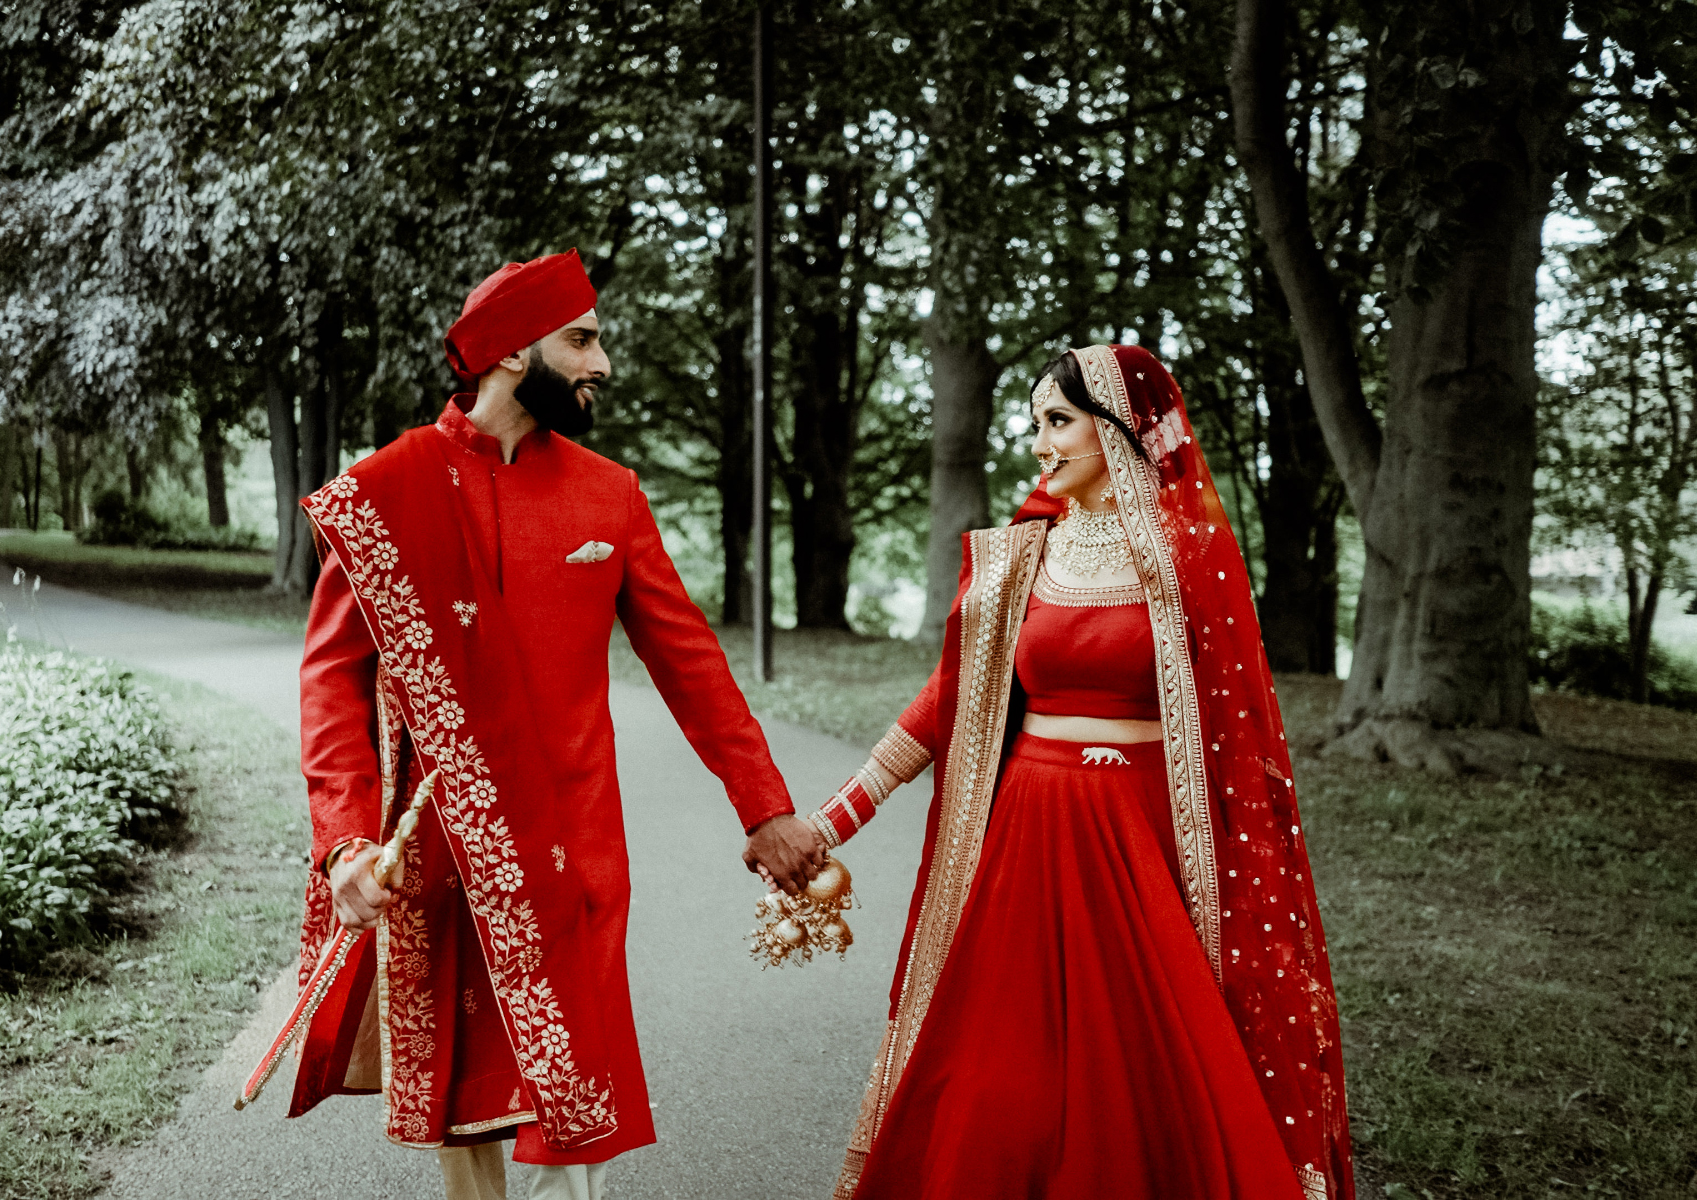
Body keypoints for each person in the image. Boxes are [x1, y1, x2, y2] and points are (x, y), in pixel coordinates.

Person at [280, 249, 826, 1200]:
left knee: (574, 1099)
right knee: (466, 1095)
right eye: (581, 340)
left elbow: (692, 665)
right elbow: (330, 683)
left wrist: (765, 806)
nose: (600, 363)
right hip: (450, 847)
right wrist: (345, 842)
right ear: (508, 353)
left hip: (577, 851)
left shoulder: (610, 493)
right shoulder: (384, 494)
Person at [807, 345, 1355, 1200]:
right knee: (999, 1072)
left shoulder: (1190, 557)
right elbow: (943, 702)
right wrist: (835, 819)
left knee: (1140, 1080)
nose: (1039, 444)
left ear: (1122, 430)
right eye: (1036, 423)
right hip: (1027, 837)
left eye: (1058, 421)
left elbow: (1240, 732)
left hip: (1140, 845)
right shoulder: (1023, 557)